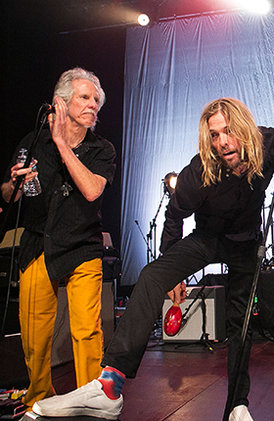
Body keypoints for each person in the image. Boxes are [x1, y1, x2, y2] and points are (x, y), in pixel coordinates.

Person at [31, 94, 274, 421]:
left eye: (228, 131)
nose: (222, 142)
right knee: (151, 276)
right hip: (207, 238)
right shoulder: (200, 169)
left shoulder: (268, 142)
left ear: (243, 128)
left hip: (245, 243)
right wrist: (174, 274)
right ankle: (110, 384)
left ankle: (237, 406)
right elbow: (174, 217)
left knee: (240, 323)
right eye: (214, 135)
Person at [1, 68, 116, 410]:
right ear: (60, 104)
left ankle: (90, 400)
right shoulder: (32, 142)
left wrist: (63, 145)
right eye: (85, 97)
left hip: (82, 246)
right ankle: (38, 399)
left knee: (86, 333)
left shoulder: (101, 149)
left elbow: (93, 189)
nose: (93, 104)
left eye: (97, 100)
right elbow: (11, 196)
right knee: (35, 336)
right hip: (38, 244)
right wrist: (15, 185)